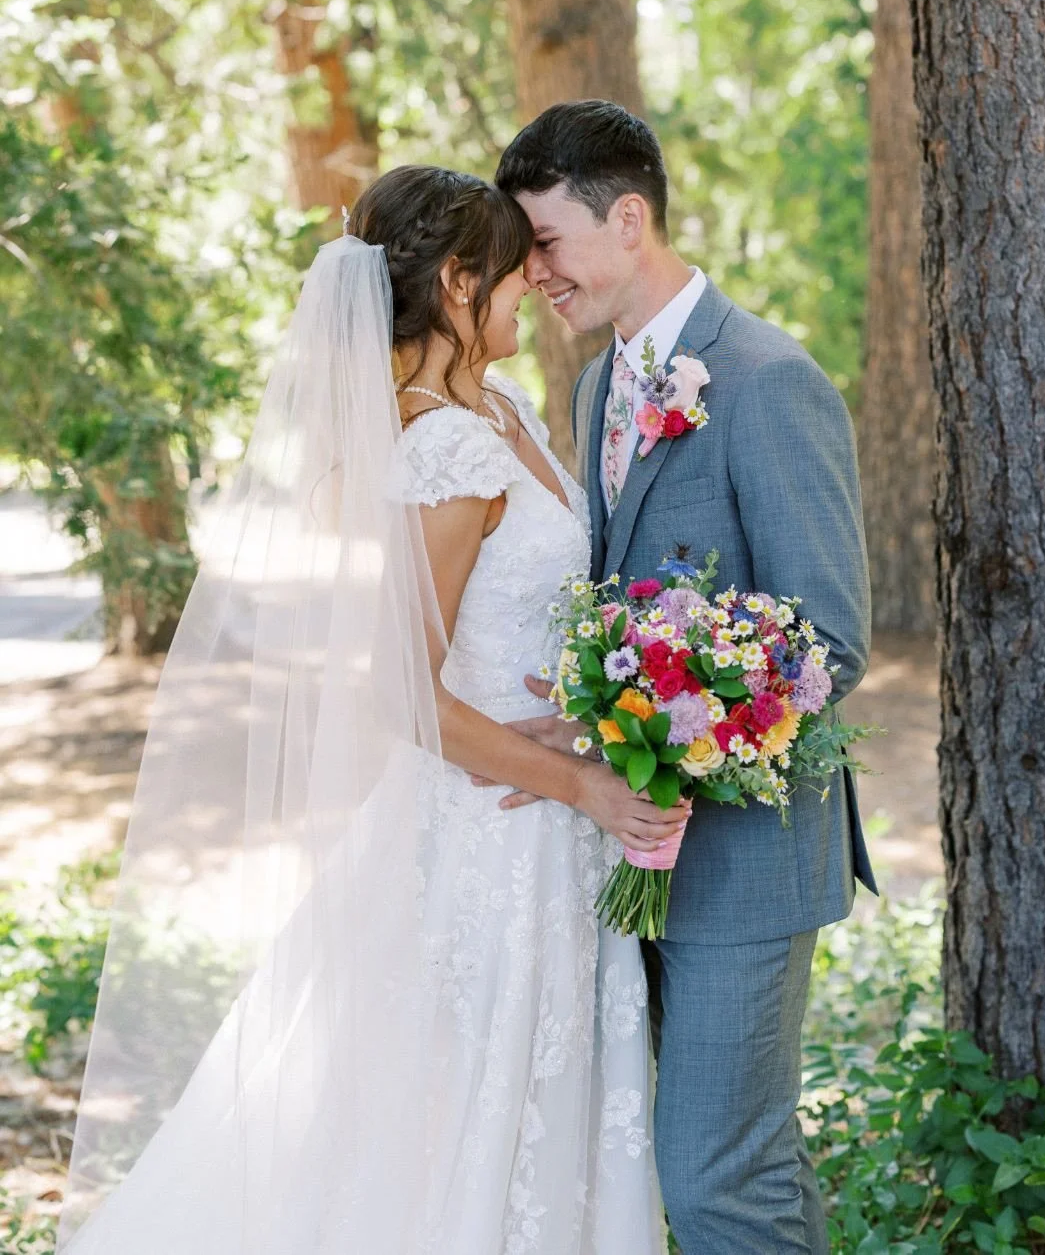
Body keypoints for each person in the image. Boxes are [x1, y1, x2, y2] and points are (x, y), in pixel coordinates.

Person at [56, 165, 673, 1254]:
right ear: (454, 283)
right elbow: (401, 691)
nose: (533, 278)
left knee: (540, 1122)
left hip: (553, 833)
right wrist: (586, 785)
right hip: (492, 840)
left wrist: (602, 720)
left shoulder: (508, 408)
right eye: (512, 264)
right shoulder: (442, 449)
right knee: (459, 1129)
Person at [495, 101, 878, 1254]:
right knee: (727, 1169)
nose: (536, 274)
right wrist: (589, 724)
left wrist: (660, 723)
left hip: (746, 861)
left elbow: (829, 642)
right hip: (630, 848)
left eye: (549, 244)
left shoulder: (767, 381)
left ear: (630, 216)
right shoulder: (592, 385)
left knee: (716, 1181)